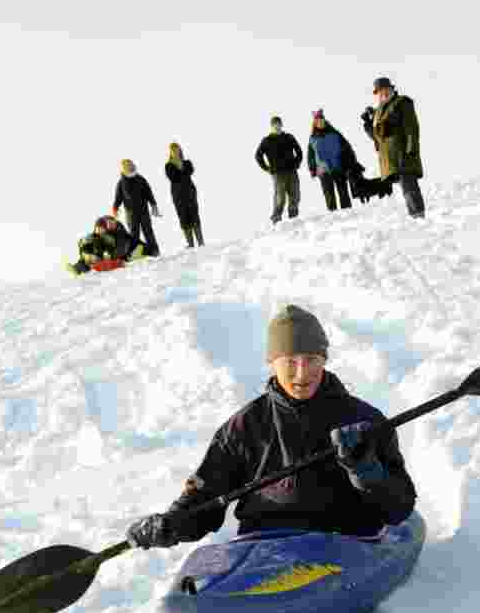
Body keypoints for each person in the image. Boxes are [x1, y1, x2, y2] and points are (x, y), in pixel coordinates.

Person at [125, 304, 417, 549]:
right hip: (266, 547)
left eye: (312, 359)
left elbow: (399, 508)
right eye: (290, 361)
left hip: (348, 542)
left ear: (324, 360)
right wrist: (171, 523)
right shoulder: (243, 426)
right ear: (272, 363)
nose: (302, 373)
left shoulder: (363, 419)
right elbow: (205, 500)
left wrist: (366, 471)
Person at [368, 77, 426, 219]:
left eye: (386, 90)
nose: (383, 94)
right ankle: (415, 217)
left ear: (392, 89)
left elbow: (411, 128)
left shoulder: (401, 103)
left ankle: (418, 217)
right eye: (380, 92)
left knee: (409, 186)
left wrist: (411, 149)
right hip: (391, 158)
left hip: (403, 154)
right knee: (406, 188)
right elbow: (378, 138)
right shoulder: (379, 112)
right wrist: (368, 124)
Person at [307, 109, 358, 212]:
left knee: (343, 193)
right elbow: (310, 156)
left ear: (324, 120)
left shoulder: (335, 134)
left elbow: (347, 148)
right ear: (315, 123)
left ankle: (348, 214)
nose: (320, 122)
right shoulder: (312, 138)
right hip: (323, 171)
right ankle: (333, 217)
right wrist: (312, 169)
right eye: (317, 121)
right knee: (329, 196)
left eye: (321, 120)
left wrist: (351, 162)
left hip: (338, 167)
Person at [255, 115, 303, 224]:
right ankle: (276, 220)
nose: (277, 126)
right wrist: (267, 168)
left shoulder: (289, 137)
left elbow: (299, 151)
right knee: (280, 198)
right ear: (271, 127)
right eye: (274, 125)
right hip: (278, 174)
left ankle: (294, 218)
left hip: (291, 172)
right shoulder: (267, 140)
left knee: (295, 195)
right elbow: (258, 155)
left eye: (278, 124)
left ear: (281, 125)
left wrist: (297, 163)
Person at [113, 159, 161, 257]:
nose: (129, 167)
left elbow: (149, 193)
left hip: (144, 211)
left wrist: (154, 205)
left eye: (130, 165)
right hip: (131, 213)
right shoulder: (121, 183)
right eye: (126, 166)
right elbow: (118, 198)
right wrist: (115, 209)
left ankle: (154, 251)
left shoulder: (140, 179)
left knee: (148, 231)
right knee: (134, 234)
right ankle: (135, 253)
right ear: (123, 168)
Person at [66, 216, 146, 275]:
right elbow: (87, 246)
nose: (99, 231)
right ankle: (78, 268)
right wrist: (84, 247)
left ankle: (92, 264)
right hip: (108, 257)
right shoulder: (96, 237)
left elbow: (121, 248)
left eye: (101, 229)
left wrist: (110, 256)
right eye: (98, 229)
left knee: (128, 254)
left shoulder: (116, 235)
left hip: (129, 253)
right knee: (90, 251)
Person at [165, 143, 204, 248]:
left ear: (180, 150)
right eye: (173, 151)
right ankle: (190, 244)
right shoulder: (168, 165)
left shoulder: (187, 162)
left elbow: (190, 171)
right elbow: (173, 177)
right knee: (183, 217)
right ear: (170, 152)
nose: (176, 152)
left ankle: (201, 242)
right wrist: (182, 171)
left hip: (190, 193)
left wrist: (181, 169)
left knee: (194, 215)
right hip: (178, 195)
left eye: (177, 150)